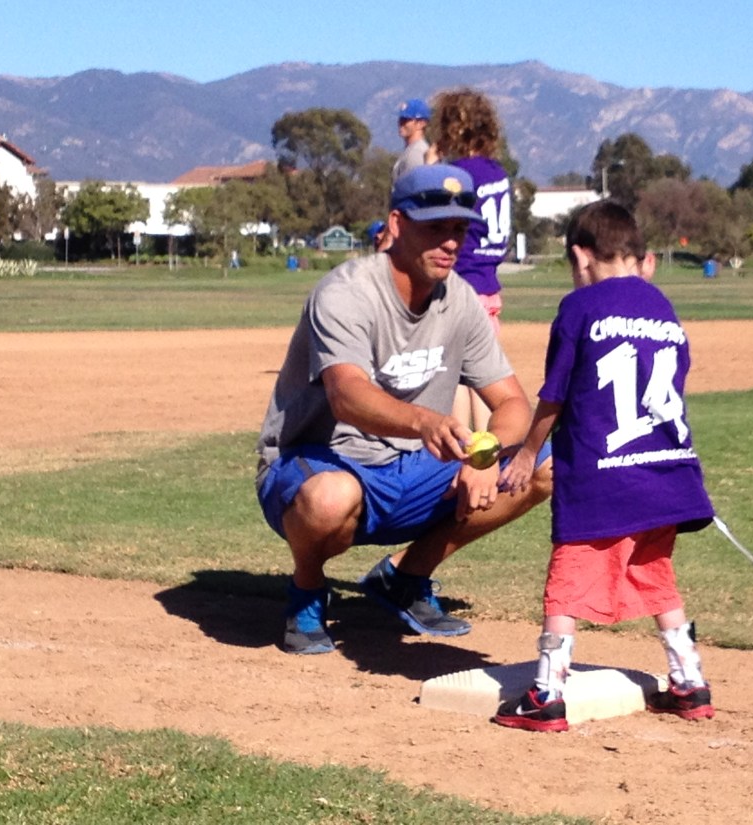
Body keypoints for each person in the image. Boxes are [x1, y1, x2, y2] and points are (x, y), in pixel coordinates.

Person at [255, 163, 553, 654]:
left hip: (411, 469)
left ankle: (404, 577)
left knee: (544, 464)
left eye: (459, 229)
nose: (450, 242)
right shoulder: (346, 293)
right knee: (331, 499)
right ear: (397, 224)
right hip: (320, 462)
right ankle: (307, 589)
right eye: (435, 227)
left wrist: (487, 454)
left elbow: (512, 402)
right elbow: (346, 395)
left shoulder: (460, 301)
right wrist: (423, 421)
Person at [492, 201, 715, 732]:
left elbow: (555, 394)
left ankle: (547, 692)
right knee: (655, 572)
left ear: (581, 256)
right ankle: (689, 680)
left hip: (601, 473)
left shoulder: (579, 306)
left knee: (568, 577)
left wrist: (526, 452)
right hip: (666, 468)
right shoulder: (662, 306)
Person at [426, 87, 512, 431]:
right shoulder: (498, 172)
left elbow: (430, 210)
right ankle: (491, 447)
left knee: (454, 376)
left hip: (462, 284)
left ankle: (457, 447)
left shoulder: (459, 174)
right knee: (484, 376)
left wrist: (431, 168)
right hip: (489, 287)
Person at [391, 98, 431, 183]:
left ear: (421, 124)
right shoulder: (412, 149)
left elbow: (415, 187)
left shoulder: (416, 153)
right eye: (400, 119)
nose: (400, 123)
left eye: (405, 120)